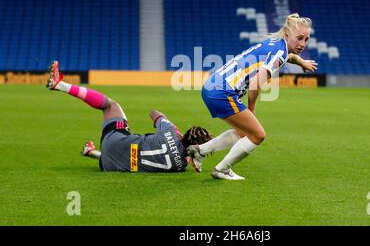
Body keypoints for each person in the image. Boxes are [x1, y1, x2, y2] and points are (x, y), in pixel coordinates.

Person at [187, 13, 318, 180]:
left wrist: (301, 62)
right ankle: (222, 169)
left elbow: (289, 56)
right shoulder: (279, 52)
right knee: (257, 135)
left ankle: (200, 151)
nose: (303, 44)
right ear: (287, 34)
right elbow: (256, 83)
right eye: (299, 38)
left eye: (306, 39)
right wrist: (251, 109)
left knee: (243, 132)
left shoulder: (276, 44)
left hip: (212, 86)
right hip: (222, 92)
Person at [45, 60, 212, 172]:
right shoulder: (182, 166)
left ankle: (61, 84)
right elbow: (185, 155)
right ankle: (92, 152)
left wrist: (174, 130)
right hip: (112, 165)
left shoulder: (170, 131)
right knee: (131, 158)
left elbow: (154, 113)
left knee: (110, 105)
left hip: (114, 142)